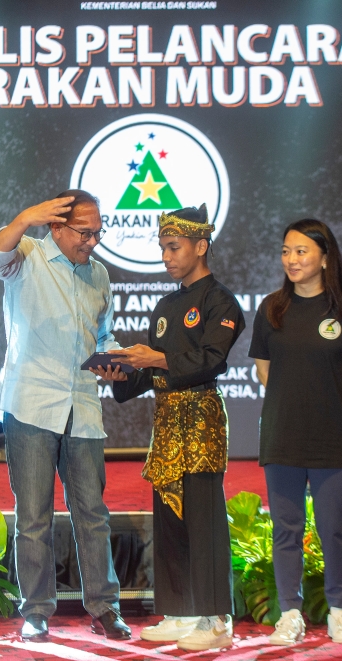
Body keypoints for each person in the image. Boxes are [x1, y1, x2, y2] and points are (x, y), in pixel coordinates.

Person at [0, 190, 131, 641]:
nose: (93, 241)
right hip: (31, 403)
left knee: (93, 512)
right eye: (84, 233)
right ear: (57, 227)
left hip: (82, 404)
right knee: (33, 515)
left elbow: (103, 331)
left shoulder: (99, 273)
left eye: (98, 232)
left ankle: (104, 607)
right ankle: (36, 611)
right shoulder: (27, 255)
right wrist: (25, 217)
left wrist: (112, 356)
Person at [101, 205, 244, 651]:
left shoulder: (221, 302)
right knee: (170, 516)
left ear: (201, 247)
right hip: (167, 421)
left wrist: (156, 358)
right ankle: (182, 610)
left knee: (203, 517)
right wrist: (120, 372)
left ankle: (216, 619)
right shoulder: (166, 305)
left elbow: (211, 360)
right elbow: (147, 373)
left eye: (174, 247)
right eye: (162, 247)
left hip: (201, 418)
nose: (166, 256)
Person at [248, 219, 342, 646]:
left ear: (325, 256)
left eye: (301, 251)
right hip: (282, 437)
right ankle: (290, 613)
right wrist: (296, 405)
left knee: (333, 528)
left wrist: (333, 408)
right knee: (285, 529)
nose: (292, 259)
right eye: (286, 251)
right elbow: (264, 369)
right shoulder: (271, 309)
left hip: (331, 440)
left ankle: (340, 612)